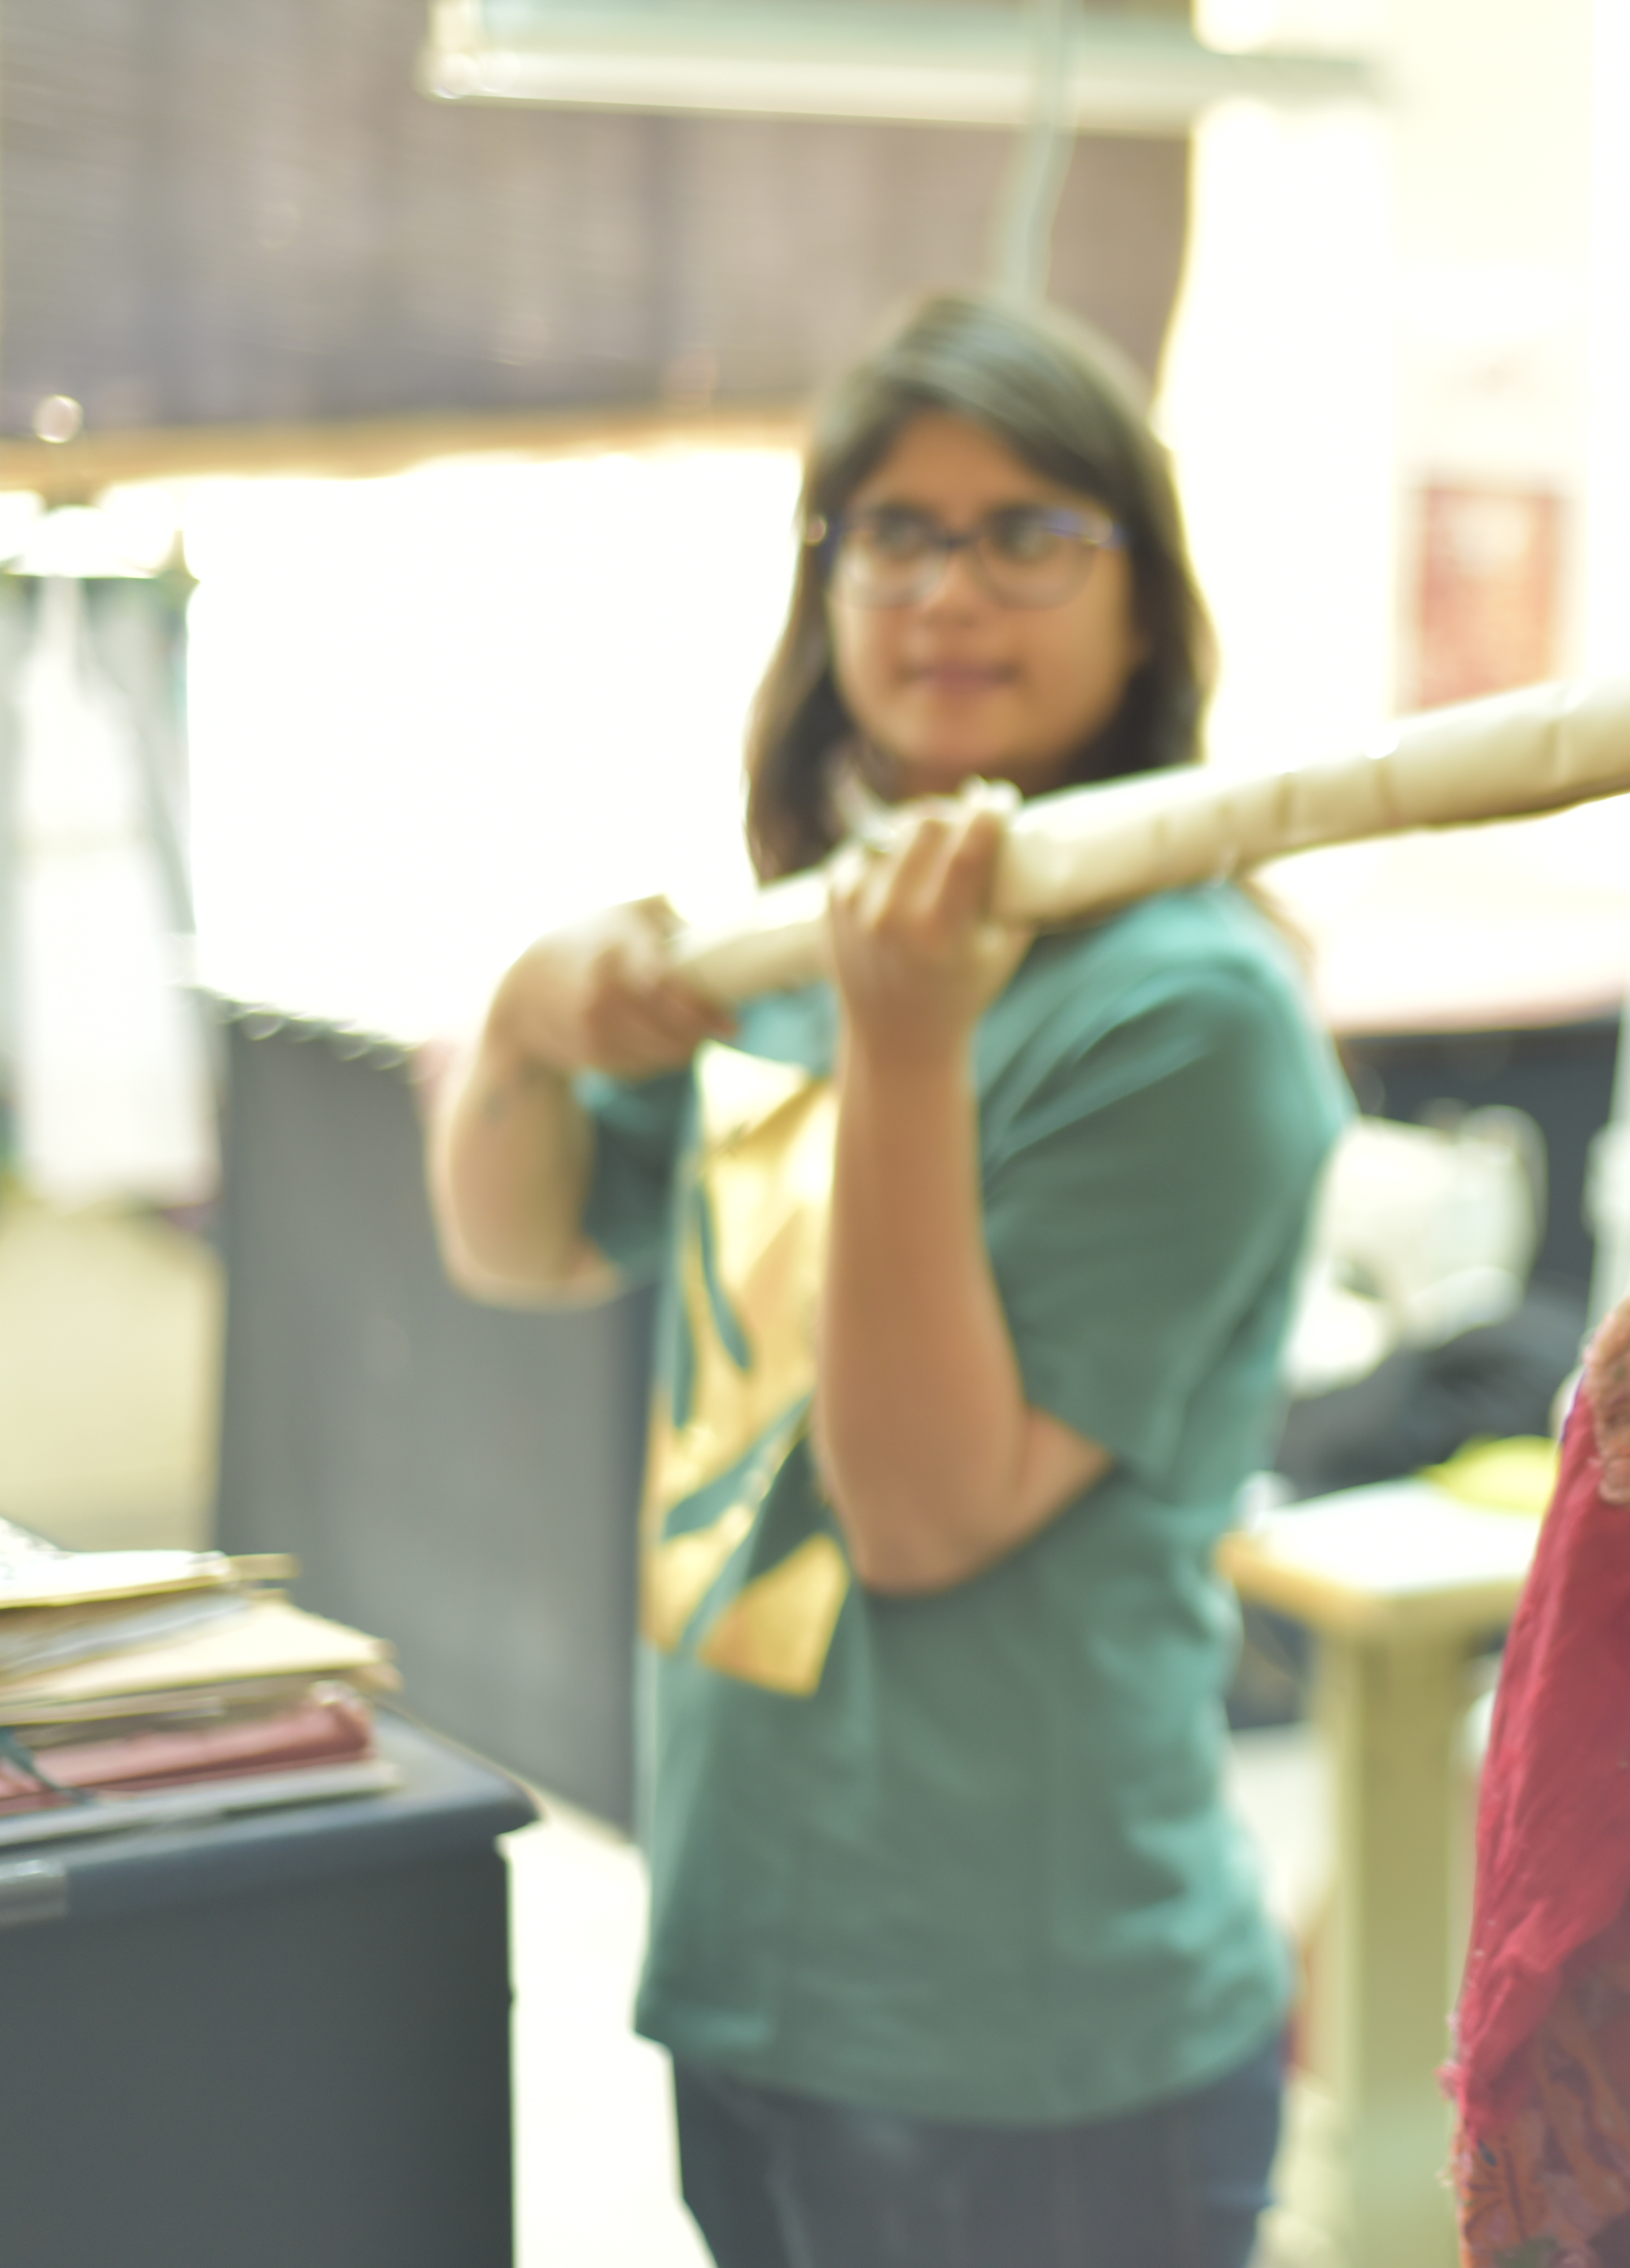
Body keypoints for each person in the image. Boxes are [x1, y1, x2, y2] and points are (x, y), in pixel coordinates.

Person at [428, 290, 1348, 2267]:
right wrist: (519, 1018)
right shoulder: (807, 961)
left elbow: (925, 1517)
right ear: (825, 586)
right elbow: (515, 1239)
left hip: (1028, 2042)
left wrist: (910, 1052)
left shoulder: (1189, 1013)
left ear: (1142, 596)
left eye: (1032, 530)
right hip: (762, 1963)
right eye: (897, 533)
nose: (955, 589)